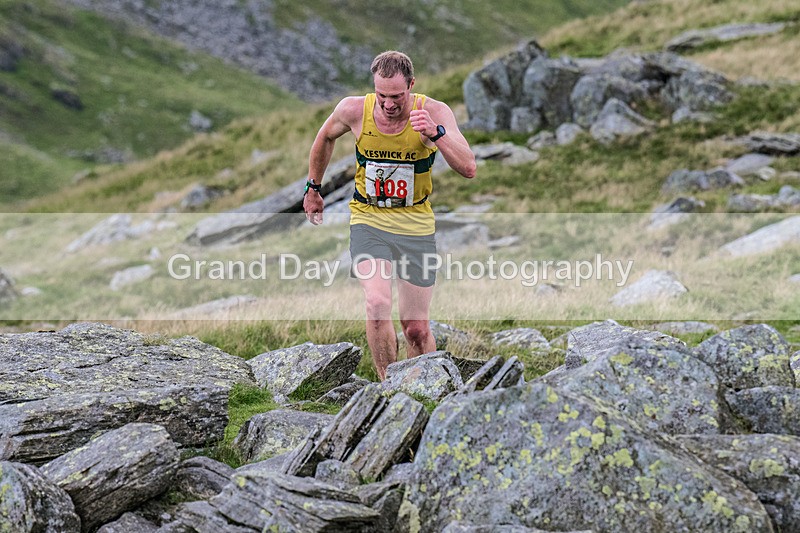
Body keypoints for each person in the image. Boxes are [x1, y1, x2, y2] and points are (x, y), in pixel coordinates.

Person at [303, 50, 476, 380]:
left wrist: (437, 134)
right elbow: (324, 136)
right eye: (382, 95)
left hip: (415, 226)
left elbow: (468, 167)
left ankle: (430, 387)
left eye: (397, 96)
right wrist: (314, 187)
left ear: (411, 85)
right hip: (369, 221)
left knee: (415, 328)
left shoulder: (434, 111)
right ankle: (389, 386)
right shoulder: (355, 110)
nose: (389, 104)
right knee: (378, 303)